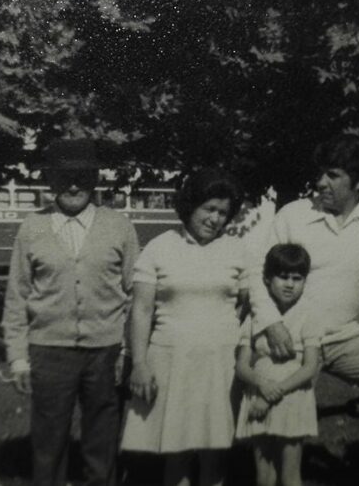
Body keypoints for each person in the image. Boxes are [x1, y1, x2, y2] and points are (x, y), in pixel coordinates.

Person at [253, 135, 359, 484]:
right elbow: (258, 274)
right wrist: (271, 325)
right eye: (321, 174)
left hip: (345, 338)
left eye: (333, 175)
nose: (320, 182)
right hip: (291, 340)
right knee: (271, 413)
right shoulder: (293, 215)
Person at [1, 138, 140, 486]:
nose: (74, 185)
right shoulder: (32, 227)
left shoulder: (118, 226)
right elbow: (16, 296)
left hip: (106, 352)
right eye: (64, 177)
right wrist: (18, 357)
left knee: (102, 442)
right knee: (48, 444)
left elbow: (134, 294)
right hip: (49, 351)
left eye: (82, 176)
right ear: (50, 181)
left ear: (94, 179)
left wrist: (127, 349)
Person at [121, 167, 253, 486]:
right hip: (171, 359)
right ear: (190, 205)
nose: (215, 219)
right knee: (175, 447)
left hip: (220, 362)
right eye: (208, 209)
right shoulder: (160, 246)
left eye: (223, 212)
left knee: (215, 449)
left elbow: (248, 304)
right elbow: (141, 310)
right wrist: (138, 363)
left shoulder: (238, 250)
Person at [235, 243, 323, 486]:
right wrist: (262, 386)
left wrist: (274, 393)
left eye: (297, 278)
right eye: (283, 277)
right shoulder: (256, 317)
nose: (289, 284)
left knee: (290, 475)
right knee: (263, 475)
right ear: (266, 279)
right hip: (258, 396)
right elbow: (242, 367)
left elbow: (310, 366)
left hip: (292, 397)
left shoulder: (308, 314)